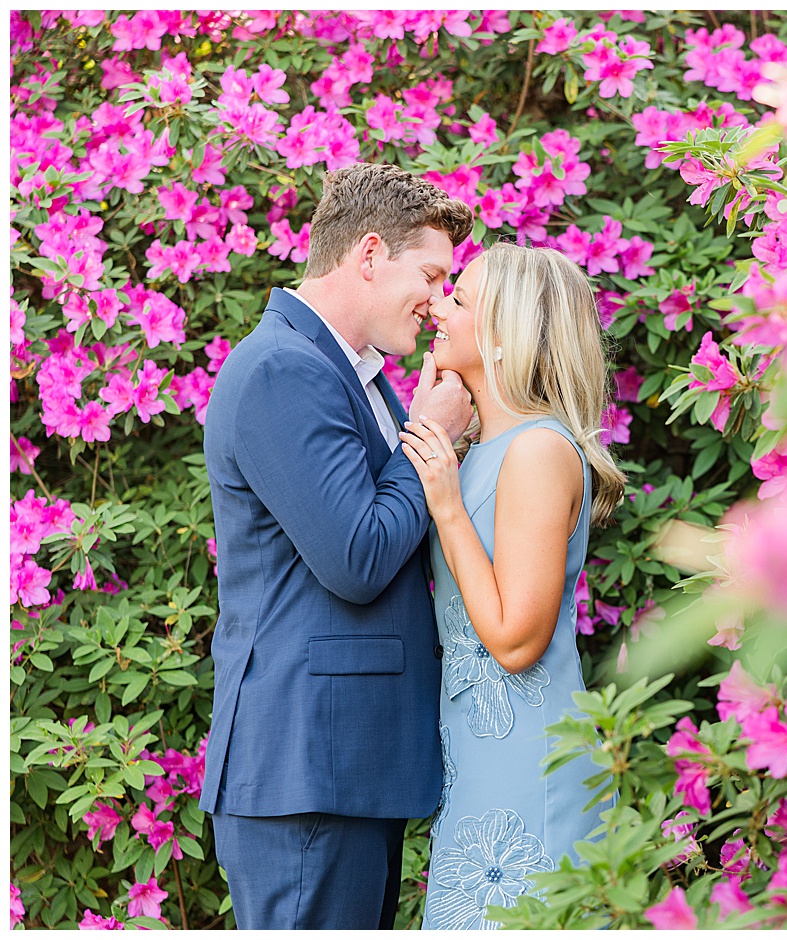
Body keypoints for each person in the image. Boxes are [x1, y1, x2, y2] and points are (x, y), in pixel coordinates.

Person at [199, 163, 475, 929]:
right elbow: (356, 557)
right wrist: (433, 439)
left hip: (344, 766)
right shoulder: (282, 370)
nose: (438, 299)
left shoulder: (360, 376)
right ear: (370, 254)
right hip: (306, 770)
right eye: (430, 273)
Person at [396, 243, 626, 930]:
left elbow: (516, 641)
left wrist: (444, 505)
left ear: (504, 338)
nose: (439, 305)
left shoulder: (538, 450)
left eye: (460, 300)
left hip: (532, 760)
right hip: (482, 756)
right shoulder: (479, 453)